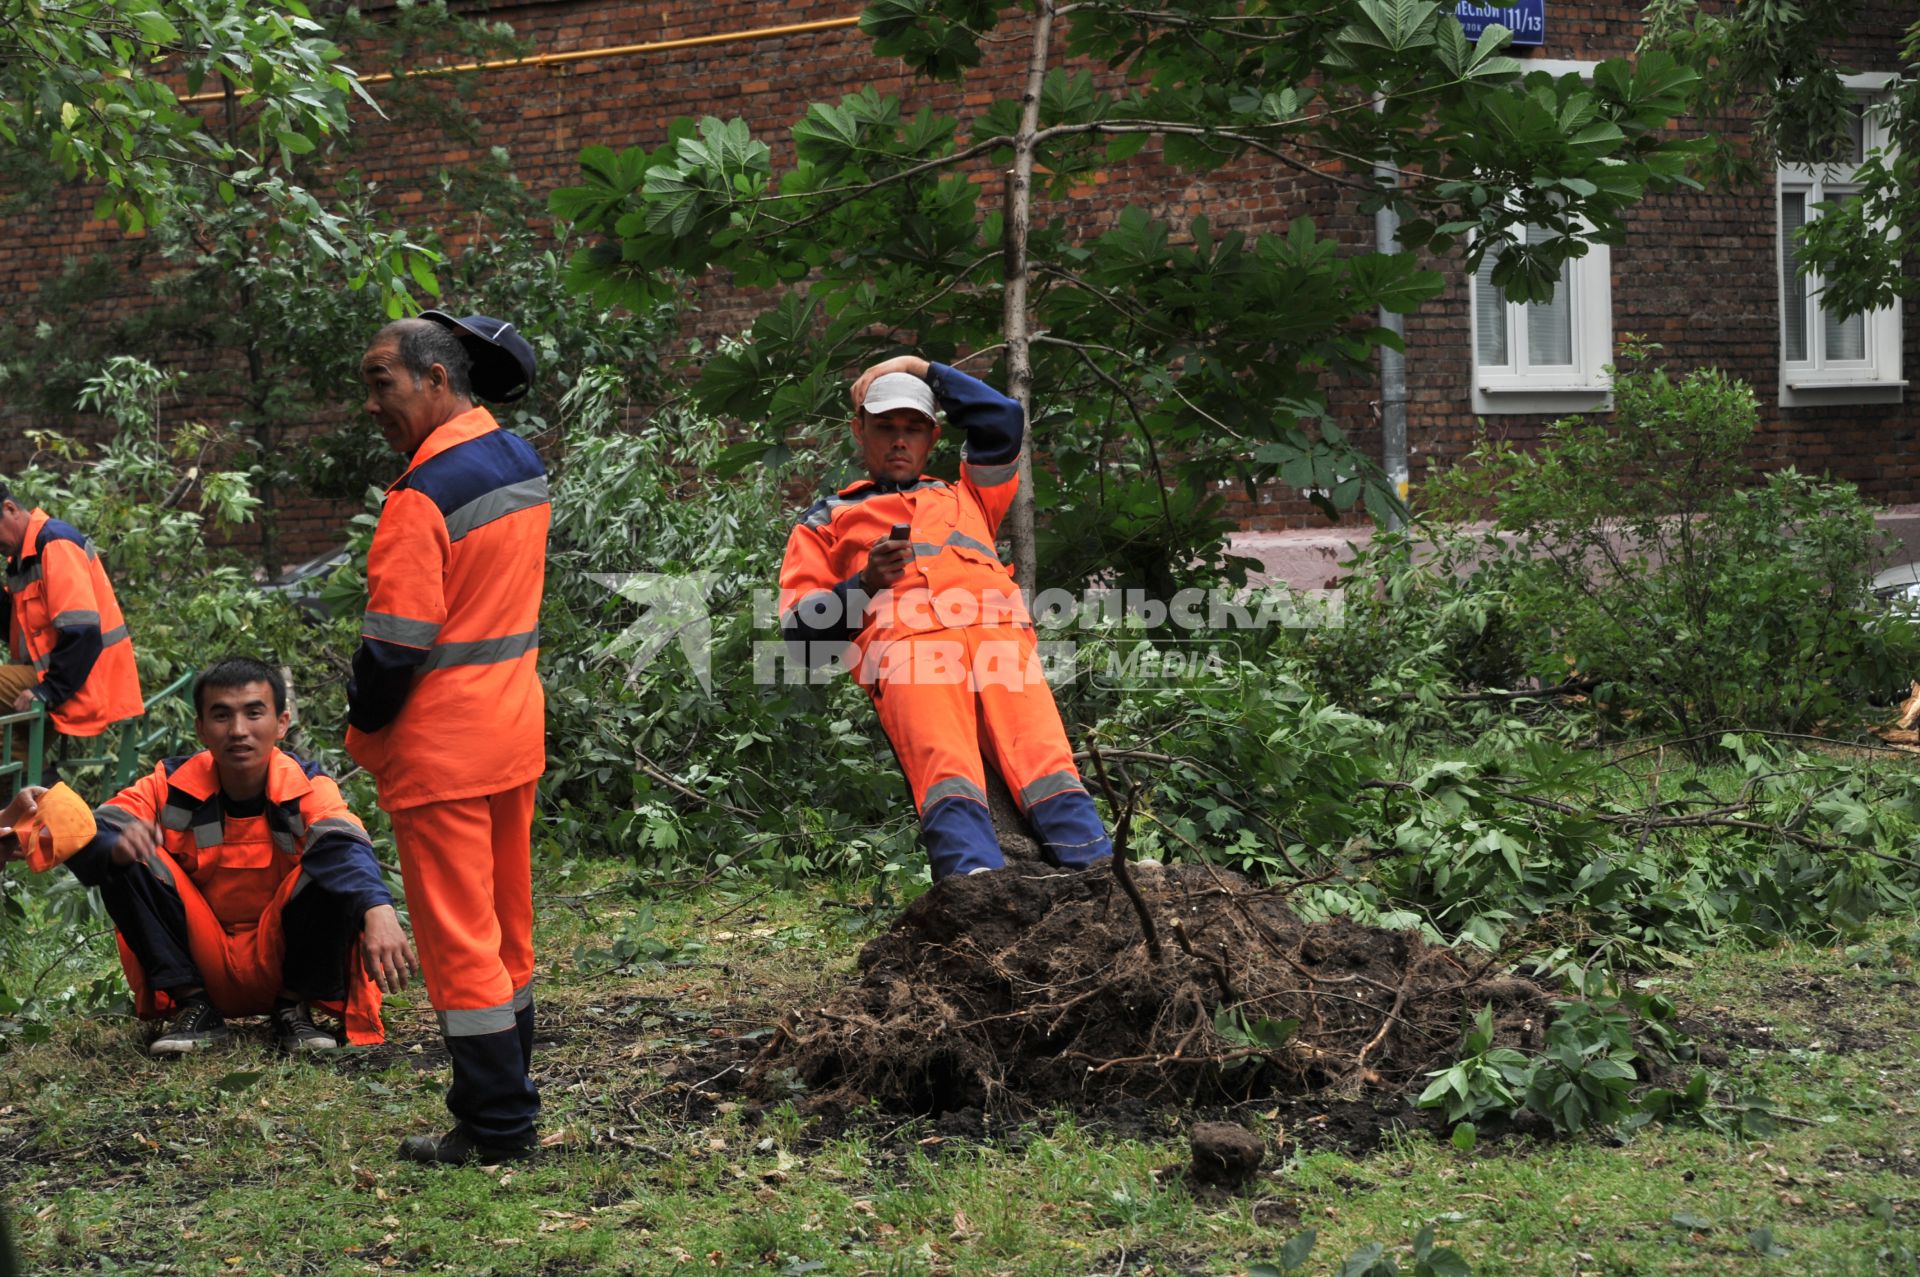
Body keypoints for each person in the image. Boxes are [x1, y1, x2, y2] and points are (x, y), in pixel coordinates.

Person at [779, 355, 1112, 879]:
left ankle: (1103, 875)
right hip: (908, 657)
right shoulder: (826, 520)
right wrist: (863, 584)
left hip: (1002, 647)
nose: (899, 441)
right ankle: (974, 889)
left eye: (914, 429)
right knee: (946, 773)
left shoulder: (970, 494)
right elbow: (802, 637)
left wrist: (920, 366)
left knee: (1047, 763)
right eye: (885, 427)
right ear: (858, 430)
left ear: (933, 438)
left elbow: (1002, 418)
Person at [346, 311, 549, 1166]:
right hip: (510, 730)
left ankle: (498, 1128)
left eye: (380, 380)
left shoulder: (419, 497)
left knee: (462, 942)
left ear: (436, 379)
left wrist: (361, 725)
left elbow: (393, 644)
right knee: (507, 930)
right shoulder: (517, 460)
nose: (370, 402)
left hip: (441, 750)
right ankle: (503, 1104)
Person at [2, 657, 415, 1055]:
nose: (238, 730)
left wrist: (378, 907)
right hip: (196, 961)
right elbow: (101, 826)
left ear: (282, 723)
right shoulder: (169, 782)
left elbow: (344, 844)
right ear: (200, 727)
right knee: (125, 849)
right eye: (221, 715)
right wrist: (105, 844)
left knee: (333, 860)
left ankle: (293, 1008)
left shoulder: (309, 786)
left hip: (284, 959)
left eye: (254, 713)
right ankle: (195, 1007)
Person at [0, 487, 144, 750]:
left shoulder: (54, 542)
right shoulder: (21, 558)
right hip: (54, 676)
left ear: (10, 509)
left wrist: (48, 691)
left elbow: (83, 631)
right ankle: (37, 785)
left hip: (77, 679)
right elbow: (16, 630)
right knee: (13, 757)